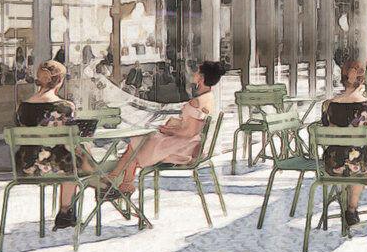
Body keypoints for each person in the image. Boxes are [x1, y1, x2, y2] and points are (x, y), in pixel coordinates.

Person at [101, 60, 223, 198]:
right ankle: (121, 183)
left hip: (185, 147)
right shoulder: (208, 97)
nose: (194, 73)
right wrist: (174, 123)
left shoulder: (198, 101)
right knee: (138, 143)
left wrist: (168, 130)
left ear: (201, 77)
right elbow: (193, 125)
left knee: (138, 145)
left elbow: (190, 132)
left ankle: (116, 181)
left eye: (197, 72)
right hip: (188, 143)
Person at [14, 61, 85, 229]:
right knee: (76, 160)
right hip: (54, 166)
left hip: (25, 166)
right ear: (59, 81)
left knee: (73, 158)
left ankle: (102, 187)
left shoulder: (22, 107)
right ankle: (65, 211)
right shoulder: (66, 107)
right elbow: (71, 140)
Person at [321, 60, 367, 227]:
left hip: (331, 165)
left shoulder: (328, 106)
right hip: (359, 165)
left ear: (343, 79)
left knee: (352, 154)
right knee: (362, 156)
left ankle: (352, 209)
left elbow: (326, 128)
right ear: (363, 80)